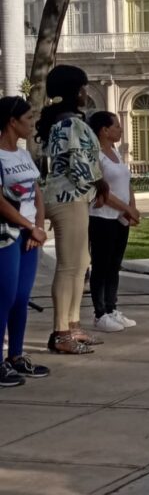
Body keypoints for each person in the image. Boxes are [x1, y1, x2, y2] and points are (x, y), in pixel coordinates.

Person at [38, 65, 109, 355]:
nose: (84, 93)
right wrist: (100, 183)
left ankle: (73, 324)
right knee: (69, 266)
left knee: (80, 263)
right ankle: (60, 332)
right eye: (81, 88)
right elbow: (79, 163)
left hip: (74, 197)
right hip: (67, 198)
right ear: (71, 91)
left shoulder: (66, 121)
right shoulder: (68, 124)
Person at [0, 98, 49, 384]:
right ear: (12, 121)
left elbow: (37, 192)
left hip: (30, 235)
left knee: (21, 297)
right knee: (4, 297)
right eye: (28, 118)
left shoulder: (22, 155)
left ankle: (16, 356)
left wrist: (38, 227)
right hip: (8, 234)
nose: (32, 124)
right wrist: (29, 226)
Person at [88, 112, 141, 332]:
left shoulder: (116, 152)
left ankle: (111, 308)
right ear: (104, 130)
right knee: (101, 265)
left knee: (114, 265)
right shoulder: (96, 156)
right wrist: (126, 208)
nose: (120, 129)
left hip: (120, 217)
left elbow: (126, 181)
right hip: (102, 217)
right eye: (117, 126)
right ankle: (99, 313)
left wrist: (132, 207)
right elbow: (103, 191)